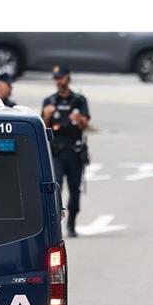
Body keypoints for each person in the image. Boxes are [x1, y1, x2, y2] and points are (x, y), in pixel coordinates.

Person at [42, 66, 90, 237]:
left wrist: (79, 119)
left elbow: (85, 126)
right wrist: (47, 116)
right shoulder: (49, 101)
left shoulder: (79, 100)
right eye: (56, 78)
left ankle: (71, 224)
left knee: (75, 189)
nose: (58, 81)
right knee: (56, 187)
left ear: (68, 78)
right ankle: (55, 223)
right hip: (56, 152)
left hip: (74, 151)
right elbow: (44, 127)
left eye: (61, 77)